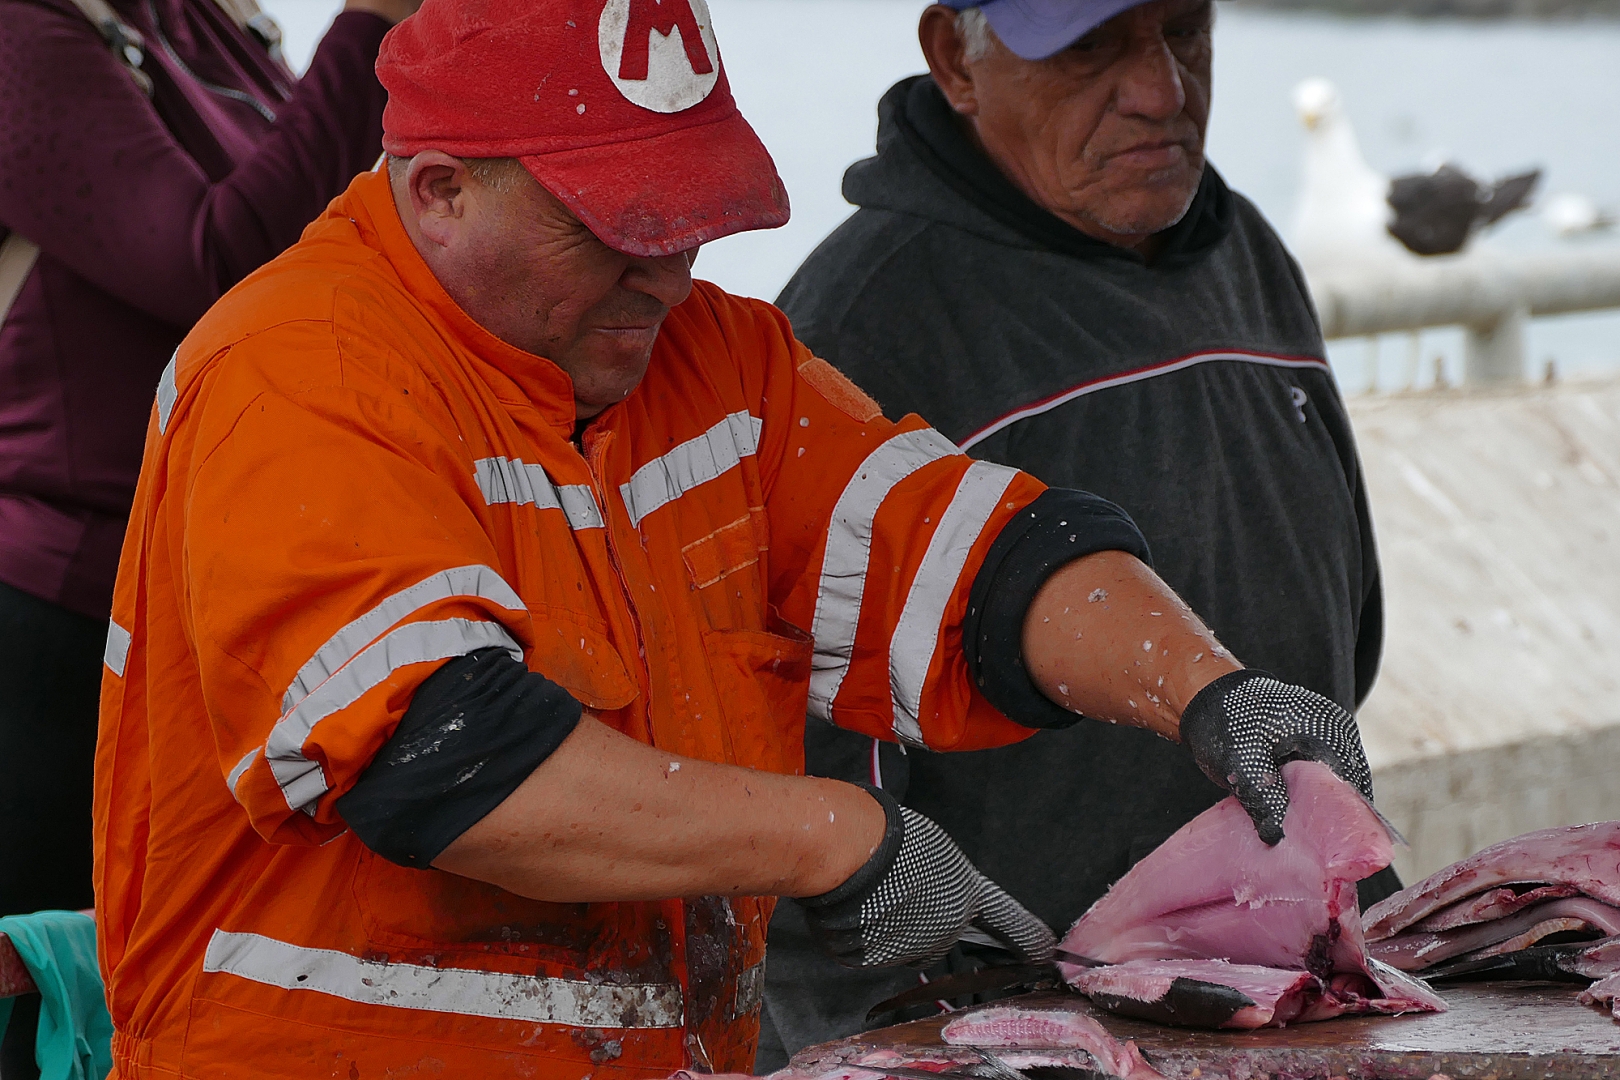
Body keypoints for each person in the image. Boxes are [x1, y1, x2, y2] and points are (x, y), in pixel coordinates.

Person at [95, 0, 1379, 1076]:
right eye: (617, 225)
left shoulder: (708, 359)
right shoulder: (295, 374)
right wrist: (838, 837)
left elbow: (974, 551)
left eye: (688, 215)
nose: (667, 270)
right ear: (440, 190)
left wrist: (1209, 689)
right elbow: (446, 759)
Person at [756, 0, 1398, 1064]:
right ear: (951, 62)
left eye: (1184, 31)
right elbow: (798, 826)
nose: (1162, 90)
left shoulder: (1248, 251)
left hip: (1300, 998)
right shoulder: (859, 334)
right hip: (1027, 1034)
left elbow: (1350, 640)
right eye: (1089, 49)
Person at [0, 0, 412, 1070]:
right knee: (44, 1015)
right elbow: (218, 269)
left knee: (187, 1002)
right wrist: (374, 25)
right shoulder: (23, 35)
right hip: (52, 627)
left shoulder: (219, 30)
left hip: (220, 610)